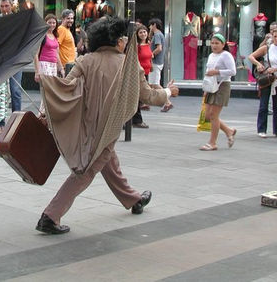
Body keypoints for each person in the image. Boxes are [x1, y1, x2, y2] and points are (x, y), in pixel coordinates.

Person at [36, 17, 179, 234]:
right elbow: (148, 96)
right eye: (123, 38)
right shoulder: (129, 65)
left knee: (109, 162)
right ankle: (50, 216)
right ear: (116, 41)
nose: (124, 42)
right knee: (86, 171)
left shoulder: (85, 60)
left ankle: (134, 200)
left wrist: (46, 109)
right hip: (109, 126)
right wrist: (169, 92)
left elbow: (65, 87)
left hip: (86, 124)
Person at [248, 28, 277, 138]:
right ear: (272, 37)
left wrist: (276, 69)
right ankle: (261, 129)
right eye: (275, 36)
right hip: (267, 78)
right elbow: (251, 56)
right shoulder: (267, 48)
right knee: (264, 104)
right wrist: (258, 64)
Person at [200, 33, 237, 151]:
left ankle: (212, 142)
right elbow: (208, 70)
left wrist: (217, 72)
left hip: (222, 85)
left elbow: (232, 71)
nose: (214, 45)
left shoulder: (226, 55)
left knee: (213, 115)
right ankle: (228, 131)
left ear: (223, 44)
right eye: (213, 43)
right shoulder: (211, 55)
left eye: (217, 43)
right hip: (211, 85)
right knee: (207, 115)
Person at [0, 0, 22, 134]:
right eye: (2, 6)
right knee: (1, 92)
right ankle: (0, 123)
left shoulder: (17, 20)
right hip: (1, 61)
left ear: (11, 6)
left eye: (6, 6)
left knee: (15, 91)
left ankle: (16, 122)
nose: (4, 9)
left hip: (15, 60)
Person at [34, 14, 64, 113]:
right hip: (44, 65)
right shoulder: (42, 36)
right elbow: (36, 55)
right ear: (45, 23)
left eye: (53, 22)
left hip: (53, 66)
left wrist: (61, 68)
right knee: (46, 92)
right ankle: (41, 114)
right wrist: (37, 72)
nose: (52, 25)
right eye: (49, 22)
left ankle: (46, 114)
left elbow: (57, 54)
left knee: (51, 92)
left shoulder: (55, 36)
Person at [131, 24, 153, 128]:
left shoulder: (148, 44)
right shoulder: (136, 46)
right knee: (138, 97)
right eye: (141, 32)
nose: (143, 34)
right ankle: (137, 120)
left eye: (144, 32)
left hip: (146, 73)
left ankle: (135, 119)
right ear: (137, 34)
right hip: (138, 74)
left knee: (140, 97)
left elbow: (149, 57)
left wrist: (151, 65)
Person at [57, 9, 76, 75]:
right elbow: (56, 48)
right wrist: (60, 67)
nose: (70, 20)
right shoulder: (61, 29)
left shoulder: (67, 30)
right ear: (63, 19)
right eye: (68, 18)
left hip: (70, 65)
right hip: (64, 67)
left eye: (72, 18)